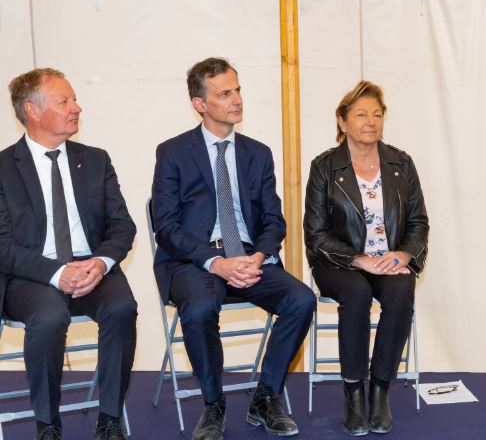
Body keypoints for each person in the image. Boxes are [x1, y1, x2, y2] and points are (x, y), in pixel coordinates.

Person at [151, 57, 315, 440]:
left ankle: (266, 395)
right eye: (225, 93)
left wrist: (258, 256)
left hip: (248, 256)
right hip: (195, 260)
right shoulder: (173, 152)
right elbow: (167, 228)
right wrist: (216, 262)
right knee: (202, 306)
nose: (237, 99)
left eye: (238, 89)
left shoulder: (257, 153)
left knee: (301, 299)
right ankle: (213, 403)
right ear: (200, 103)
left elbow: (274, 220)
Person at [0, 68, 137, 440]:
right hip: (32, 274)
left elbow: (122, 225)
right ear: (33, 110)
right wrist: (56, 274)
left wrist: (100, 262)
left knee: (122, 307)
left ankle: (110, 420)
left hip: (91, 266)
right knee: (48, 316)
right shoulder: (2, 169)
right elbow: (2, 247)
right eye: (65, 101)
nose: (77, 107)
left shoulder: (95, 160)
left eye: (74, 98)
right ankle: (47, 425)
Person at [304, 80, 429, 436]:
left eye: (377, 114)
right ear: (342, 122)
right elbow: (315, 235)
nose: (370, 121)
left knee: (402, 289)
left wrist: (403, 253)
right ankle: (354, 393)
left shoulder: (400, 164)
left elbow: (419, 222)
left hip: (388, 260)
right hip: (339, 263)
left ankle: (380, 391)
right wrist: (358, 259)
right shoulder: (324, 167)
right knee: (356, 293)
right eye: (361, 114)